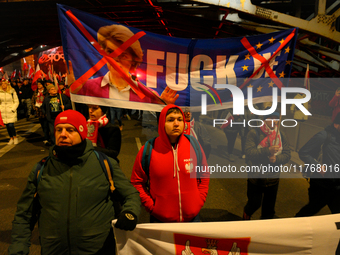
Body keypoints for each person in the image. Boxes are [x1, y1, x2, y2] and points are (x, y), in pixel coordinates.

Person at [8, 109, 141, 255]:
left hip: (98, 249)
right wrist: (18, 248)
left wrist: (130, 212)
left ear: (82, 133)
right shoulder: (41, 168)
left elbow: (130, 194)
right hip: (54, 250)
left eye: (70, 130)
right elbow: (24, 214)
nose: (63, 134)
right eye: (59, 129)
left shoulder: (104, 163)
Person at [131, 104, 210, 223]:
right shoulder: (148, 150)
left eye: (180, 119)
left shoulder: (194, 145)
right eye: (170, 120)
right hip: (160, 220)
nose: (176, 123)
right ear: (162, 123)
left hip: (193, 218)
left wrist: (199, 200)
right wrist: (152, 207)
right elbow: (137, 182)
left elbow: (204, 174)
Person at [68, 24, 179, 105]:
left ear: (133, 59)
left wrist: (165, 106)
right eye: (111, 52)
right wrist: (72, 91)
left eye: (123, 55)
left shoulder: (149, 95)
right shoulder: (88, 87)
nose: (115, 59)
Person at [243, 111, 291, 220]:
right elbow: (249, 153)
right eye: (271, 118)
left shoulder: (281, 135)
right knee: (254, 204)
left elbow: (287, 155)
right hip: (256, 177)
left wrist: (276, 159)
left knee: (269, 210)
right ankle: (245, 220)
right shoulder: (254, 133)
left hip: (273, 178)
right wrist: (267, 150)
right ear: (265, 119)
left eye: (276, 119)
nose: (274, 121)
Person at [295, 112, 340, 217]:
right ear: (337, 124)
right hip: (321, 185)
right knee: (310, 210)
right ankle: (294, 227)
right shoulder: (324, 136)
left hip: (337, 186)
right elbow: (303, 152)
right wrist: (317, 166)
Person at [32, 80, 51, 146]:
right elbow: (33, 100)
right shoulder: (36, 92)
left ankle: (46, 138)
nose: (39, 86)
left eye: (40, 84)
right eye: (38, 84)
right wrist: (34, 107)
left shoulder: (46, 92)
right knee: (43, 125)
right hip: (39, 111)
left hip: (45, 110)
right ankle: (47, 136)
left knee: (46, 125)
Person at [0, 80, 19, 144]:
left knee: (11, 125)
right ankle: (11, 138)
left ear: (7, 84)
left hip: (10, 110)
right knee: (7, 125)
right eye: (2, 84)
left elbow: (16, 101)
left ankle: (15, 137)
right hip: (3, 111)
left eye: (4, 84)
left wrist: (13, 108)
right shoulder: (0, 92)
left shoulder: (12, 91)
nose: (3, 85)